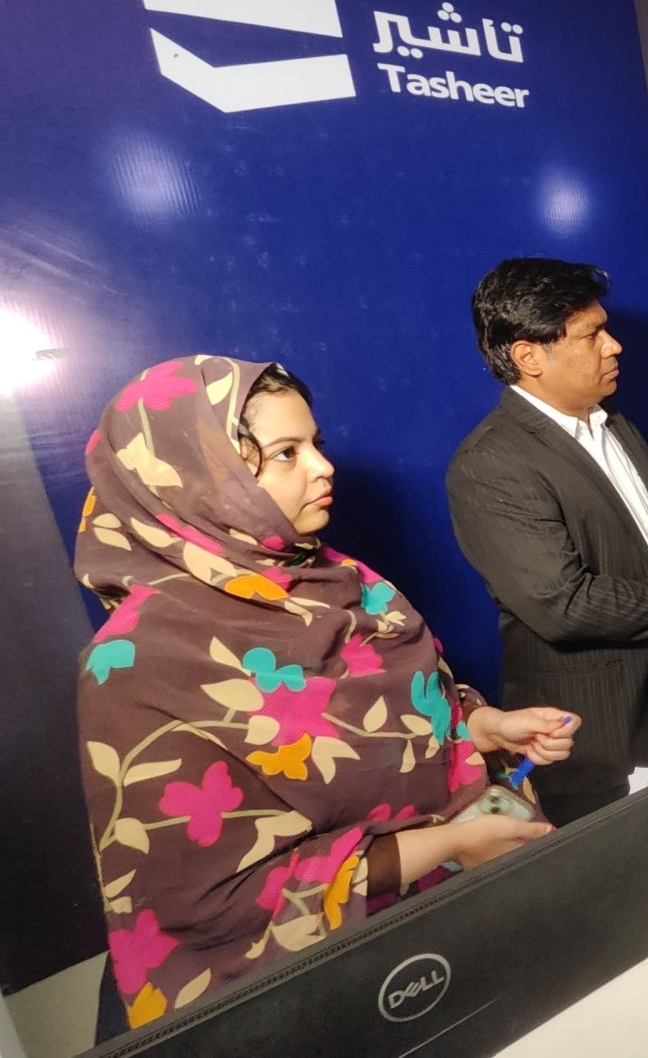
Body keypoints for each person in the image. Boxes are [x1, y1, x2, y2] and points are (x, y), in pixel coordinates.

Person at [75, 356, 580, 1033]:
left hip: (437, 934)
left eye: (316, 442)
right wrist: (450, 844)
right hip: (303, 992)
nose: (323, 466)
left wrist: (481, 724)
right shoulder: (135, 663)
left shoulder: (345, 579)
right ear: (196, 477)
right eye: (287, 452)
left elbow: (407, 707)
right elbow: (209, 902)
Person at [447, 258, 648, 827]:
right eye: (591, 334)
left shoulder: (614, 421)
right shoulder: (489, 464)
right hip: (590, 733)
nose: (614, 345)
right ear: (529, 356)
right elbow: (563, 603)